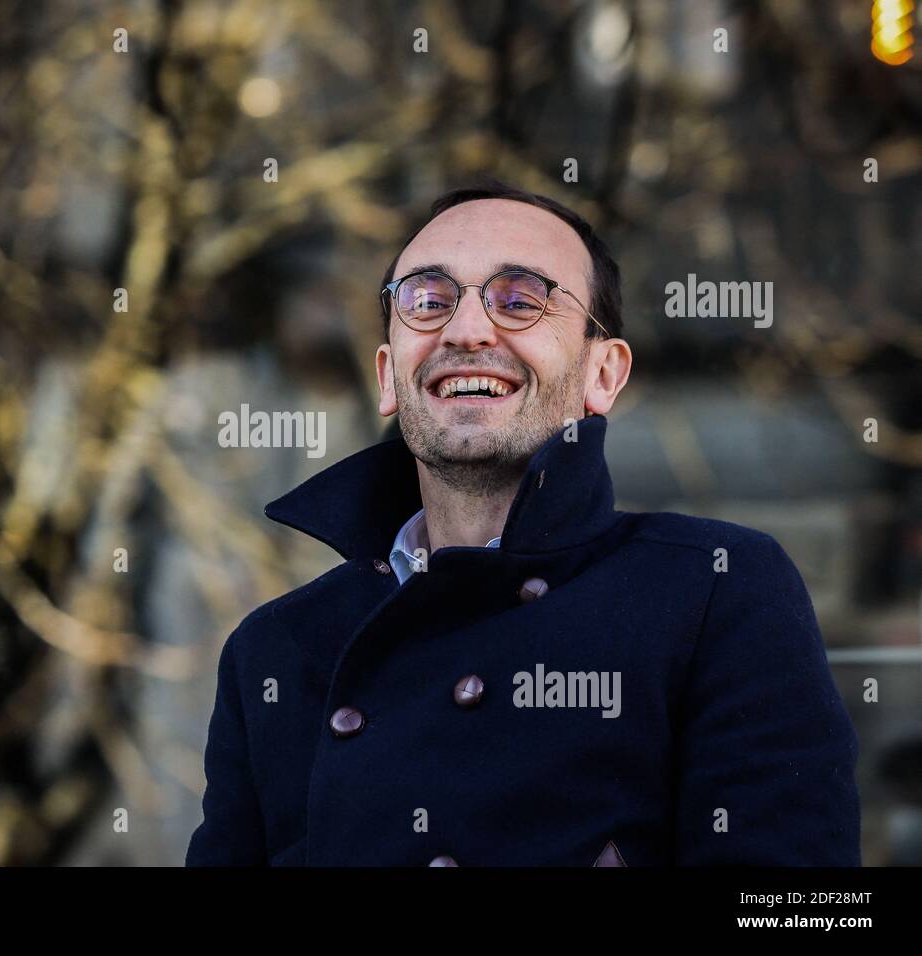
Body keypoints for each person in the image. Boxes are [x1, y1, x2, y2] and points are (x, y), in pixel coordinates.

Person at [185, 178, 860, 866]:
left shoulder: (716, 591)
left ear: (604, 374)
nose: (467, 329)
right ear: (388, 375)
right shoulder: (274, 650)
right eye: (428, 300)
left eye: (519, 298)